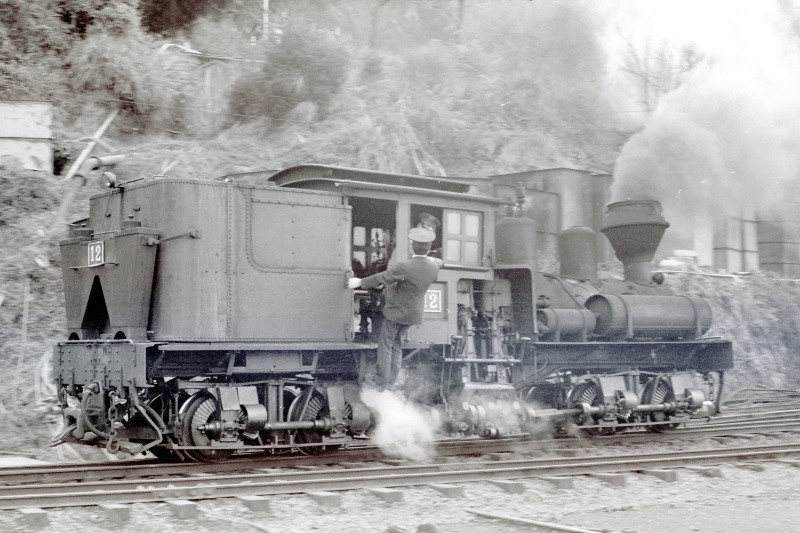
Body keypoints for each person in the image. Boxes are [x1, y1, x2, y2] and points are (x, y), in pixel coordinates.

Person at [347, 227, 441, 390]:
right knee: (397, 345)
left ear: (412, 245)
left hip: (397, 312)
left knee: (386, 344)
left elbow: (382, 277)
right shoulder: (433, 267)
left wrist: (359, 282)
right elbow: (435, 264)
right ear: (428, 248)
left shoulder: (405, 266)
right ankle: (391, 380)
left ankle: (381, 380)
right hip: (413, 315)